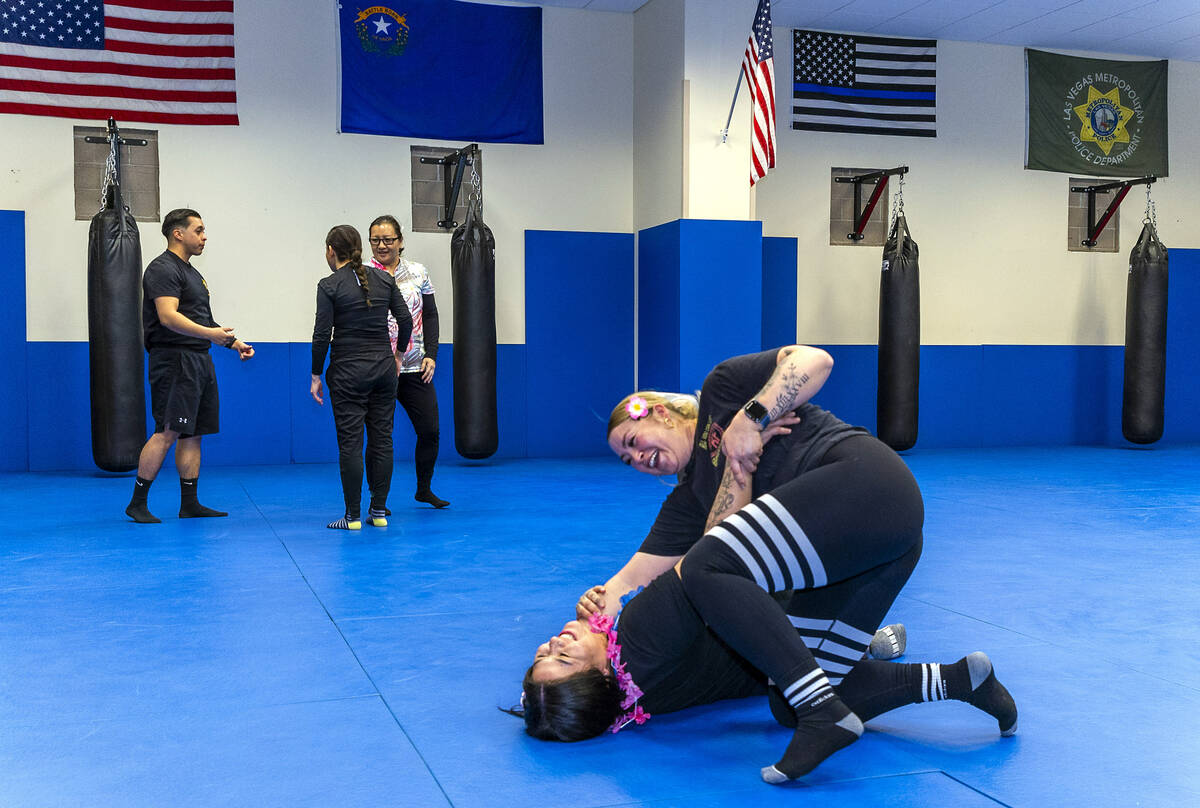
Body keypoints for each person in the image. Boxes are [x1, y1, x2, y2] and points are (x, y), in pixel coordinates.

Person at [513, 347, 1016, 782]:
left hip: (869, 487)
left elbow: (816, 361)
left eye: (632, 441)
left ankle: (822, 709)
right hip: (865, 554)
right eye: (626, 461)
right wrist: (598, 602)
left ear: (659, 413)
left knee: (711, 569)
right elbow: (647, 574)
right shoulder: (689, 501)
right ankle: (959, 681)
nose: (636, 458)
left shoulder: (722, 390)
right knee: (786, 699)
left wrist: (749, 419)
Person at [125, 208, 253, 523]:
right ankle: (137, 503)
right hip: (174, 360)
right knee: (167, 431)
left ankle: (190, 503)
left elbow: (201, 319)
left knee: (192, 434)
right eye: (199, 230)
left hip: (198, 361)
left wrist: (232, 343)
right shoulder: (163, 269)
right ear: (178, 233)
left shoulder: (193, 273)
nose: (204, 236)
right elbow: (168, 317)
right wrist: (210, 334)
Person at [311, 225, 412, 529]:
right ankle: (378, 512)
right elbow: (405, 320)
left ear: (331, 250)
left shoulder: (329, 284)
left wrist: (316, 374)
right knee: (382, 440)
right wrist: (398, 356)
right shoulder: (384, 278)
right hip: (383, 370)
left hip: (347, 373)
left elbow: (321, 335)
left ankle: (352, 516)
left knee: (351, 444)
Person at [366, 215, 448, 509]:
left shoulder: (418, 272)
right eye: (375, 240)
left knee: (430, 430)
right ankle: (378, 500)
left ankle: (423, 489)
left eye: (388, 239)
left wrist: (432, 355)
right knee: (378, 436)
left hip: (415, 367)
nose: (382, 245)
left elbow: (431, 315)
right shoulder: (363, 275)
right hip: (379, 370)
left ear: (400, 242)